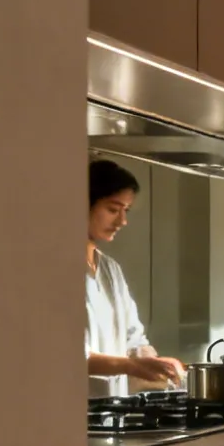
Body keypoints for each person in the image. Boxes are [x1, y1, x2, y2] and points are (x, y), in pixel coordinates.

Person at [86, 159, 184, 396]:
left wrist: (158, 364)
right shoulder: (45, 270)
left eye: (125, 211)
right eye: (112, 209)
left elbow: (133, 341)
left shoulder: (111, 271)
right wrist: (131, 366)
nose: (122, 221)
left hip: (109, 414)